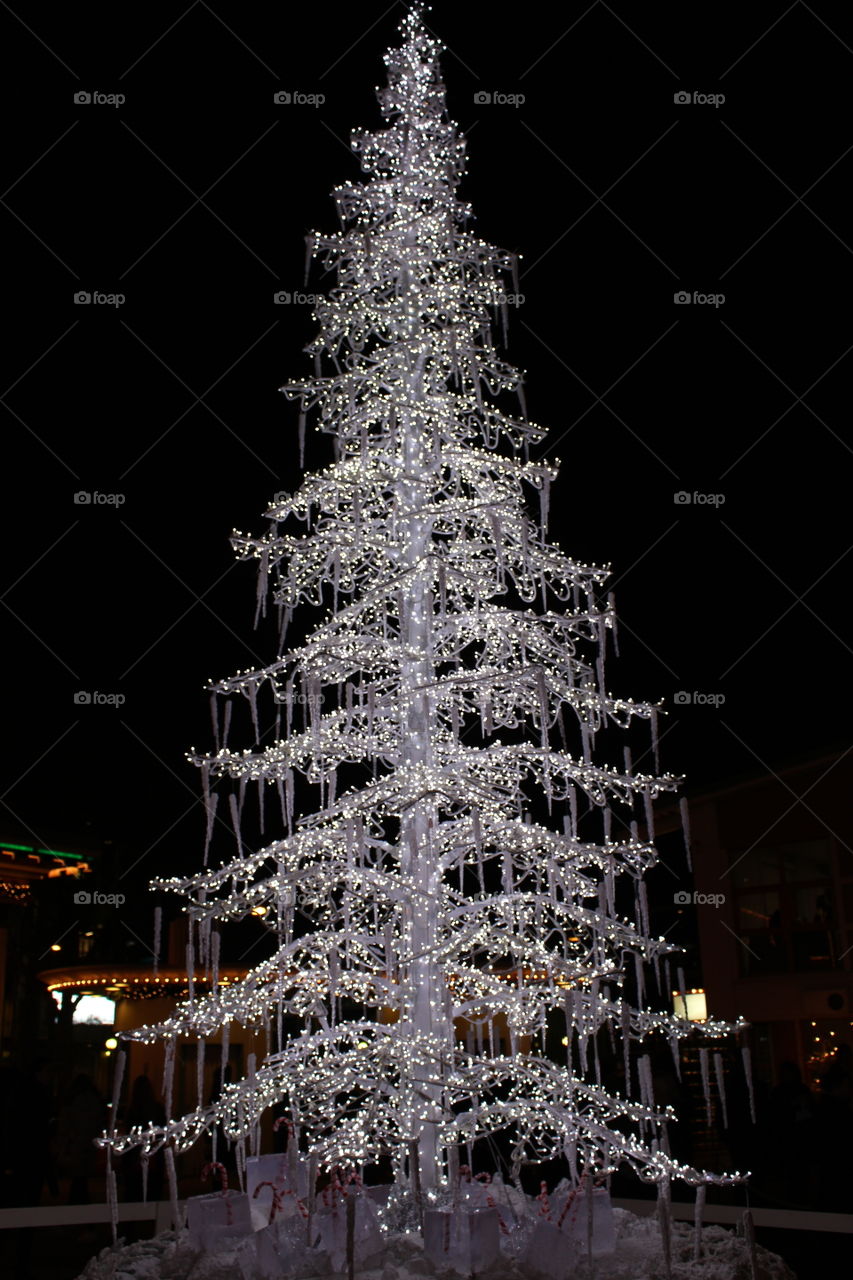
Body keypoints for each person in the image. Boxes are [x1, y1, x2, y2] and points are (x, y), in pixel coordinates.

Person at [53, 1074, 106, 1204]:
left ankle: (77, 1201)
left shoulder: (72, 1100)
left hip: (77, 1143)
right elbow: (98, 1122)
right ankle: (80, 1201)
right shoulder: (93, 1101)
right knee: (81, 1178)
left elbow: (65, 1123)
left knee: (78, 1178)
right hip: (86, 1143)